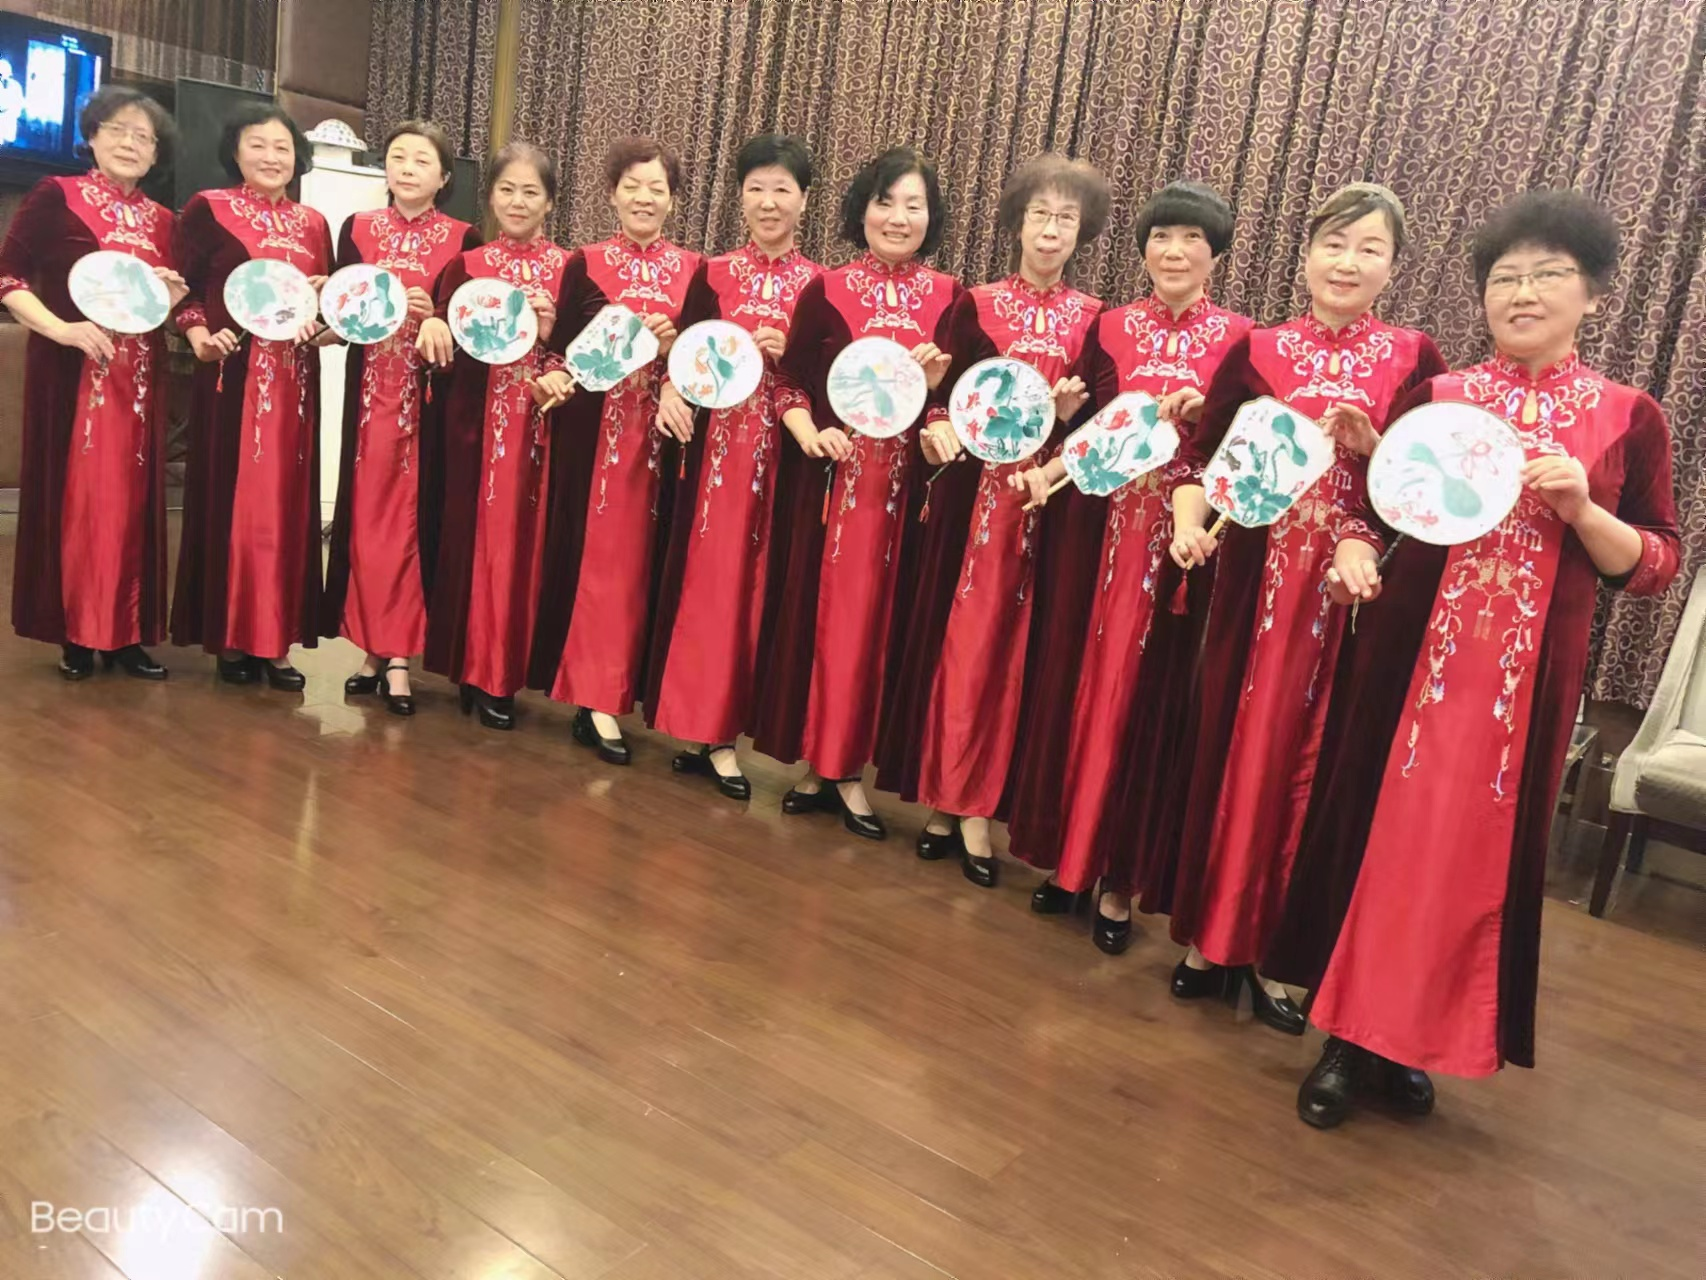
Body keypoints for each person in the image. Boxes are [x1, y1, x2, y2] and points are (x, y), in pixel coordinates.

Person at [1265, 190, 1679, 1128]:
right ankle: (1349, 1035)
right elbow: (1371, 509)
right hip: (1409, 668)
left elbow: (1654, 563)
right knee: (1380, 839)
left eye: (1548, 275)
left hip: (1523, 694)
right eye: (1504, 278)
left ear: (1593, 294)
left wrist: (1583, 509)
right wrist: (1354, 551)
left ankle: (1414, 1042)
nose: (1522, 293)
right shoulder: (1441, 399)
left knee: (1468, 862)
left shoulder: (1628, 416)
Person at [1164, 183, 1447, 1029]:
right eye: (1334, 243)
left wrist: (1375, 448)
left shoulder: (1416, 361)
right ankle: (1210, 937)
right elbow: (1200, 463)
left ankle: (1278, 956)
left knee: (1316, 769)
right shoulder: (1258, 349)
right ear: (1306, 253)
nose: (1347, 263)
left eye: (1369, 249)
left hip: (1354, 601)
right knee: (1233, 748)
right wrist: (1190, 526)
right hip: (1252, 588)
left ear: (1393, 268)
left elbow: (1426, 490)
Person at [1006, 182, 1254, 949]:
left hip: (1184, 547)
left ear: (1216, 254)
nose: (1173, 252)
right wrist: (1047, 465)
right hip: (1096, 534)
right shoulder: (1109, 326)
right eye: (1160, 238)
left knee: (1150, 704)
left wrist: (1205, 413)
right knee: (1077, 686)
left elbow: (1243, 449)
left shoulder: (1242, 342)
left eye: (1191, 240)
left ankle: (1117, 880)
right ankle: (1068, 862)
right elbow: (1085, 429)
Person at [873, 154, 1108, 886]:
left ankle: (978, 807)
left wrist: (1064, 426)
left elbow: (1098, 427)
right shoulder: (975, 305)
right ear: (1016, 222)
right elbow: (937, 394)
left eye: (1066, 219)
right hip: (969, 508)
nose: (1051, 230)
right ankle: (946, 798)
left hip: (1048, 509)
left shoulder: (1095, 319)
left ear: (1082, 232)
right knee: (960, 644)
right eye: (1040, 215)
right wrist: (937, 422)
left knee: (1017, 654)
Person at [749, 146, 962, 839]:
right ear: (860, 210)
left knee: (886, 631)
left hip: (912, 501)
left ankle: (851, 769)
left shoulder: (951, 297)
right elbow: (789, 383)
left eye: (913, 205)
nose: (898, 218)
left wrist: (937, 408)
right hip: (832, 491)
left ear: (931, 217)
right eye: (884, 201)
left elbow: (954, 403)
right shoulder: (828, 289)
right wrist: (809, 432)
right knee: (830, 624)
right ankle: (826, 766)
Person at [645, 134, 823, 797]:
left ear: (804, 200)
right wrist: (669, 389)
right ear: (740, 197)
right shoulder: (713, 274)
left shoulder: (819, 286)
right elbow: (683, 357)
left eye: (782, 189)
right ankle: (704, 729)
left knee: (762, 594)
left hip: (787, 466)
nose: (768, 202)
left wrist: (791, 353)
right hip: (716, 460)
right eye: (756, 189)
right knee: (710, 587)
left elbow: (829, 382)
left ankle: (730, 730)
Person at [1, 86, 184, 680]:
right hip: (71, 376)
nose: (130, 143)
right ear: (92, 136)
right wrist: (61, 329)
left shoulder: (164, 221)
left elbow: (159, 309)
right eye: (118, 130)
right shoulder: (56, 195)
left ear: (156, 154)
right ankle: (77, 631)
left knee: (133, 503)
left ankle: (125, 632)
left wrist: (172, 300)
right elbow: (8, 276)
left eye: (144, 137)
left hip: (141, 381)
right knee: (79, 500)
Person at [529, 137, 703, 763]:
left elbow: (704, 359)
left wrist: (674, 352)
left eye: (657, 188)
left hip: (665, 441)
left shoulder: (695, 270)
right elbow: (559, 354)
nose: (644, 198)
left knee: (645, 569)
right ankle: (595, 697)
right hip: (594, 438)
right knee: (601, 563)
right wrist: (549, 374)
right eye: (632, 186)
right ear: (612, 193)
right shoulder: (586, 262)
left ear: (673, 200)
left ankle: (620, 691)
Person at [321, 120, 479, 716]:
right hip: (368, 400)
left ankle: (397, 658)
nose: (408, 168)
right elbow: (343, 317)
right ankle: (372, 646)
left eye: (422, 160)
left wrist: (435, 313)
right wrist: (321, 315)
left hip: (428, 404)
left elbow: (471, 324)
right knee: (366, 520)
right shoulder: (357, 228)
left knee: (411, 521)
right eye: (398, 157)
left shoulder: (464, 238)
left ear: (444, 177)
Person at [170, 104, 332, 689]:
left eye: (282, 147)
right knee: (233, 502)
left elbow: (326, 310)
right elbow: (181, 291)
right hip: (230, 380)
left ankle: (276, 638)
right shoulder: (207, 208)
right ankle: (234, 634)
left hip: (295, 387)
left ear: (297, 157)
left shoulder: (314, 223)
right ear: (235, 152)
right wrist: (198, 336)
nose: (271, 156)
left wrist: (325, 307)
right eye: (257, 144)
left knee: (287, 507)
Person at [417, 141, 572, 730]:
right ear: (490, 197)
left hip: (542, 430)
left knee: (524, 548)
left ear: (550, 201)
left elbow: (578, 355)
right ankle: (472, 666)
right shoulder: (467, 266)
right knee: (473, 541)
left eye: (531, 191)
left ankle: (504, 672)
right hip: (473, 427)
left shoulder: (568, 268)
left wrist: (551, 341)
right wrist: (435, 325)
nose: (518, 201)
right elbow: (444, 348)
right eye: (507, 189)